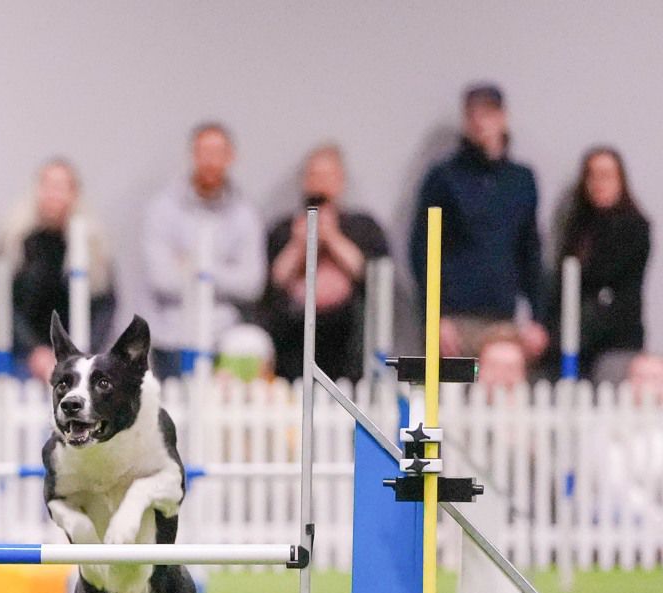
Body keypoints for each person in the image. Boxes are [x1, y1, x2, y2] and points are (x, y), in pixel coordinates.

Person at [411, 83, 547, 374]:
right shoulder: (444, 178)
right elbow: (424, 250)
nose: (481, 122)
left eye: (488, 113)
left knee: (504, 404)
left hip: (503, 318)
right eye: (473, 114)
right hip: (454, 318)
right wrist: (434, 317)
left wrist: (538, 317)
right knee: (451, 407)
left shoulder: (521, 181)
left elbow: (530, 251)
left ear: (503, 117)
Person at [142, 122, 266, 379]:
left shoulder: (246, 214)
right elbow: (163, 280)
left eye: (217, 152)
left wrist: (198, 267)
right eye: (203, 152)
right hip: (172, 338)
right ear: (193, 155)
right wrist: (225, 272)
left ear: (230, 157)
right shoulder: (163, 209)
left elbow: (251, 283)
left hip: (226, 336)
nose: (210, 161)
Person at [261, 144, 390, 382]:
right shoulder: (283, 229)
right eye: (314, 175)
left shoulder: (362, 227)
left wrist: (332, 237)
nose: (320, 183)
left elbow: (371, 274)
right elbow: (274, 281)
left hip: (348, 338)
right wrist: (299, 245)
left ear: (341, 181)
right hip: (293, 338)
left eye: (327, 175)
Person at [0, 158, 115, 382]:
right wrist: (35, 351)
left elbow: (104, 306)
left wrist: (77, 353)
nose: (53, 194)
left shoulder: (93, 245)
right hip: (23, 357)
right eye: (48, 185)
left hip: (78, 355)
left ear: (74, 193)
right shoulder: (14, 241)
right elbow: (4, 304)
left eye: (61, 187)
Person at [551, 147, 650, 382]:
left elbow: (606, 278)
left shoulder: (634, 228)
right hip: (573, 341)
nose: (598, 183)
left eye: (606, 175)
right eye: (592, 175)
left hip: (617, 341)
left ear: (620, 180)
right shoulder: (576, 228)